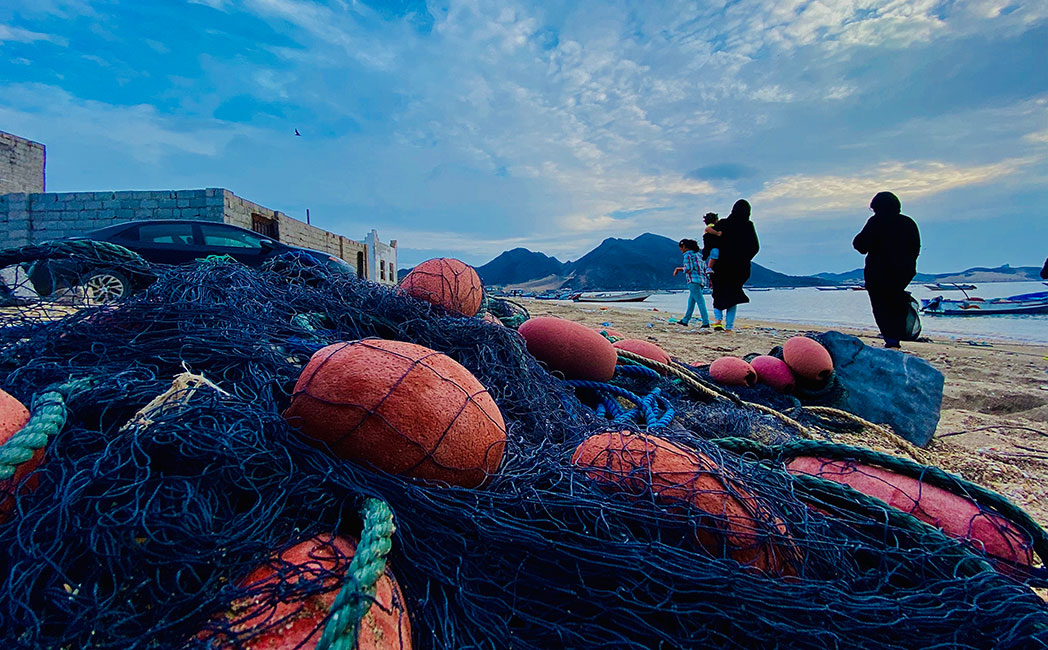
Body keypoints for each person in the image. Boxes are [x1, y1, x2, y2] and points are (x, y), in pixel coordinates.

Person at [853, 191, 920, 349]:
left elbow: (861, 245)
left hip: (878, 273)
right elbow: (916, 248)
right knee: (895, 302)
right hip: (903, 273)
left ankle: (892, 340)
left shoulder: (876, 221)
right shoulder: (909, 223)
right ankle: (897, 336)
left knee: (881, 307)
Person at [704, 199, 759, 331]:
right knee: (733, 296)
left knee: (718, 293)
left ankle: (718, 321)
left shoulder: (723, 224)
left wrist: (708, 254)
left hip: (721, 267)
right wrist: (744, 259)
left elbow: (709, 238)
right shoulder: (748, 226)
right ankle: (729, 326)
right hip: (739, 269)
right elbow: (755, 247)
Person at [672, 238, 710, 328]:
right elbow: (705, 269)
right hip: (702, 280)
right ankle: (685, 320)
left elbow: (689, 268)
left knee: (700, 301)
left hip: (693, 280)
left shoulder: (687, 255)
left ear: (684, 247)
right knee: (691, 302)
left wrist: (678, 269)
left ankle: (706, 322)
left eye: (681, 248)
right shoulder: (699, 255)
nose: (681, 250)